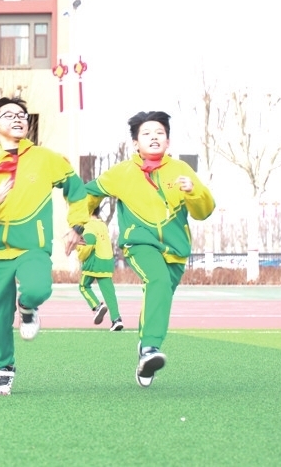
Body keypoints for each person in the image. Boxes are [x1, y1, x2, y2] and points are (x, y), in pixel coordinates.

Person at [0, 97, 88, 396]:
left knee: (37, 289)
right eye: (9, 115)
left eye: (22, 115)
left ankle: (28, 308)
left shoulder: (45, 158)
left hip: (32, 246)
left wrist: (77, 225)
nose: (18, 118)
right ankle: (3, 370)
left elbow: (76, 189)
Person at [86, 111, 214, 387]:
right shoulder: (121, 173)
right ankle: (150, 349)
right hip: (139, 242)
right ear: (135, 143)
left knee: (159, 295)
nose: (154, 137)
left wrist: (194, 191)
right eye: (146, 133)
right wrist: (78, 225)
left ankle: (145, 350)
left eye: (159, 133)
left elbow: (204, 212)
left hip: (176, 250)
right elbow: (87, 193)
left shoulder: (181, 170)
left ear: (168, 141)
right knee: (157, 280)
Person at [75, 205, 123, 331]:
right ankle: (116, 319)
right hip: (107, 262)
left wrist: (79, 253)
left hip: (94, 262)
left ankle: (97, 307)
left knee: (83, 286)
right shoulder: (102, 225)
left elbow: (88, 243)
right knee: (109, 293)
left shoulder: (88, 225)